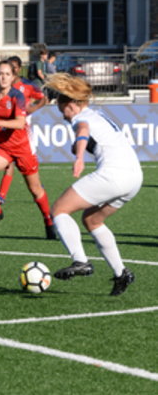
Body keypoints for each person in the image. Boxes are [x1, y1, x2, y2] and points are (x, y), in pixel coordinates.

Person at [46, 73, 143, 296]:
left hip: (114, 174)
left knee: (59, 210)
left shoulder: (81, 118)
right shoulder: (96, 114)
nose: (62, 114)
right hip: (135, 177)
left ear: (71, 104)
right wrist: (79, 147)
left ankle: (80, 261)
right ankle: (121, 273)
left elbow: (83, 131)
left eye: (62, 108)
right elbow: (92, 137)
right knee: (92, 220)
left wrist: (79, 157)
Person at [0, 59, 56, 238]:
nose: (3, 77)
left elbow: (19, 123)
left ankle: (48, 221)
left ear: (13, 77)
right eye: (0, 74)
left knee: (35, 190)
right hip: (2, 146)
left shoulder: (17, 96)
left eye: (7, 74)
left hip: (22, 148)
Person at [0, 55, 49, 216]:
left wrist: (30, 110)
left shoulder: (27, 85)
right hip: (8, 126)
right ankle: (1, 195)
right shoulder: (3, 85)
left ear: (18, 69)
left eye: (13, 68)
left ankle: (38, 187)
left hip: (23, 128)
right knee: (8, 162)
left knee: (27, 164)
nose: (10, 71)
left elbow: (43, 99)